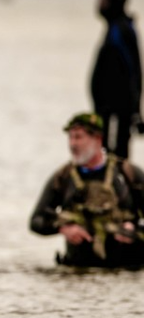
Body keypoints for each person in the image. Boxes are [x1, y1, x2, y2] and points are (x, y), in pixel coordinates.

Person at [30, 113, 144, 268]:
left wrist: (134, 230)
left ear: (97, 139)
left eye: (78, 137)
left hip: (125, 269)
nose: (72, 144)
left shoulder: (127, 173)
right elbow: (36, 221)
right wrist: (64, 228)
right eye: (70, 138)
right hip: (79, 268)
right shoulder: (63, 177)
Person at [89, 0, 142, 159]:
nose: (99, 4)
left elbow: (133, 71)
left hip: (117, 106)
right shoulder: (117, 28)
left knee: (116, 154)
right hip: (112, 106)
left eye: (103, 0)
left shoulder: (120, 31)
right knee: (108, 151)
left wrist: (134, 110)